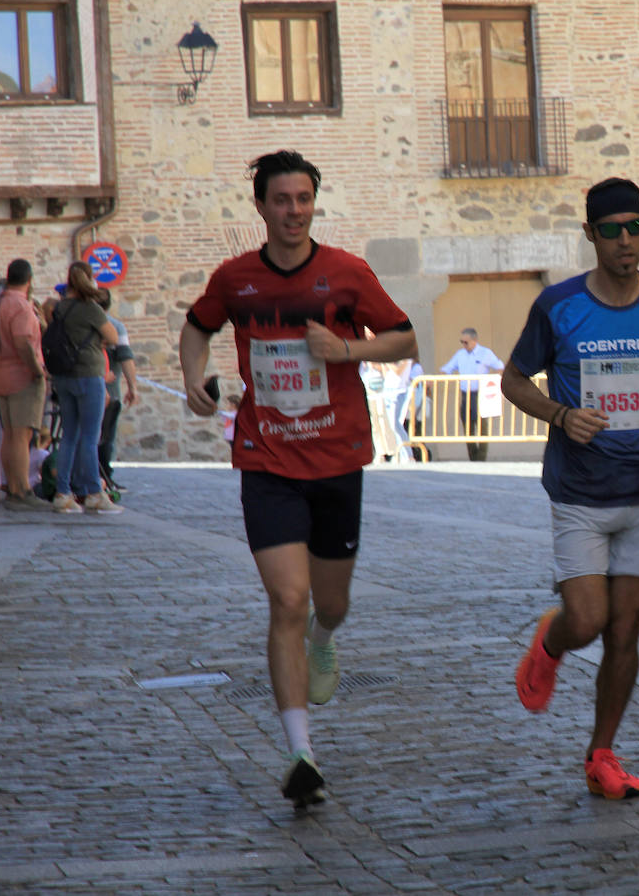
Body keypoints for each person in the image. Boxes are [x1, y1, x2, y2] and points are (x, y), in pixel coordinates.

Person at [179, 150, 416, 808]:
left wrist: (348, 349)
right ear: (260, 205)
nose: (293, 211)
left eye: (303, 199)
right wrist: (192, 378)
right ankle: (301, 753)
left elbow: (403, 338)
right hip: (267, 459)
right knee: (286, 599)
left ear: (315, 202)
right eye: (281, 200)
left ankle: (324, 639)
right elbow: (196, 330)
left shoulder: (347, 272)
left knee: (328, 603)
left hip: (338, 458)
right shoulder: (235, 278)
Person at [502, 177, 639, 799]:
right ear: (590, 235)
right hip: (579, 492)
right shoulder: (559, 306)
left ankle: (602, 753)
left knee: (625, 634)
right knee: (587, 619)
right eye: (612, 230)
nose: (626, 241)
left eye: (636, 228)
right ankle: (551, 642)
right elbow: (514, 380)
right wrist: (559, 415)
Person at [48, 262, 122, 515]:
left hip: (64, 376)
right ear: (89, 280)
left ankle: (63, 493)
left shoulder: (60, 308)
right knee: (90, 437)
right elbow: (113, 337)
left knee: (69, 435)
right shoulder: (90, 309)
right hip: (89, 375)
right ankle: (93, 492)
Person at [0, 260, 51, 511]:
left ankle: (11, 487)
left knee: (9, 434)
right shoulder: (20, 305)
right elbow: (23, 342)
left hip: (1, 373)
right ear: (29, 279)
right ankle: (21, 490)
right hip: (22, 375)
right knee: (21, 435)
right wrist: (37, 371)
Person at [96, 288, 137, 491]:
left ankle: (95, 477)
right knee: (105, 438)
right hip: (109, 392)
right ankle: (104, 477)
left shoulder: (79, 323)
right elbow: (126, 357)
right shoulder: (115, 327)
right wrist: (132, 387)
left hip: (81, 388)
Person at [440, 328, 502, 461]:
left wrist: (493, 383)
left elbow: (499, 366)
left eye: (466, 342)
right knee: (467, 426)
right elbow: (447, 368)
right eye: (461, 342)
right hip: (465, 394)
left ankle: (481, 458)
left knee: (481, 427)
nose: (463, 344)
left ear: (474, 341)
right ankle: (473, 458)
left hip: (480, 393)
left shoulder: (485, 353)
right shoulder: (460, 354)